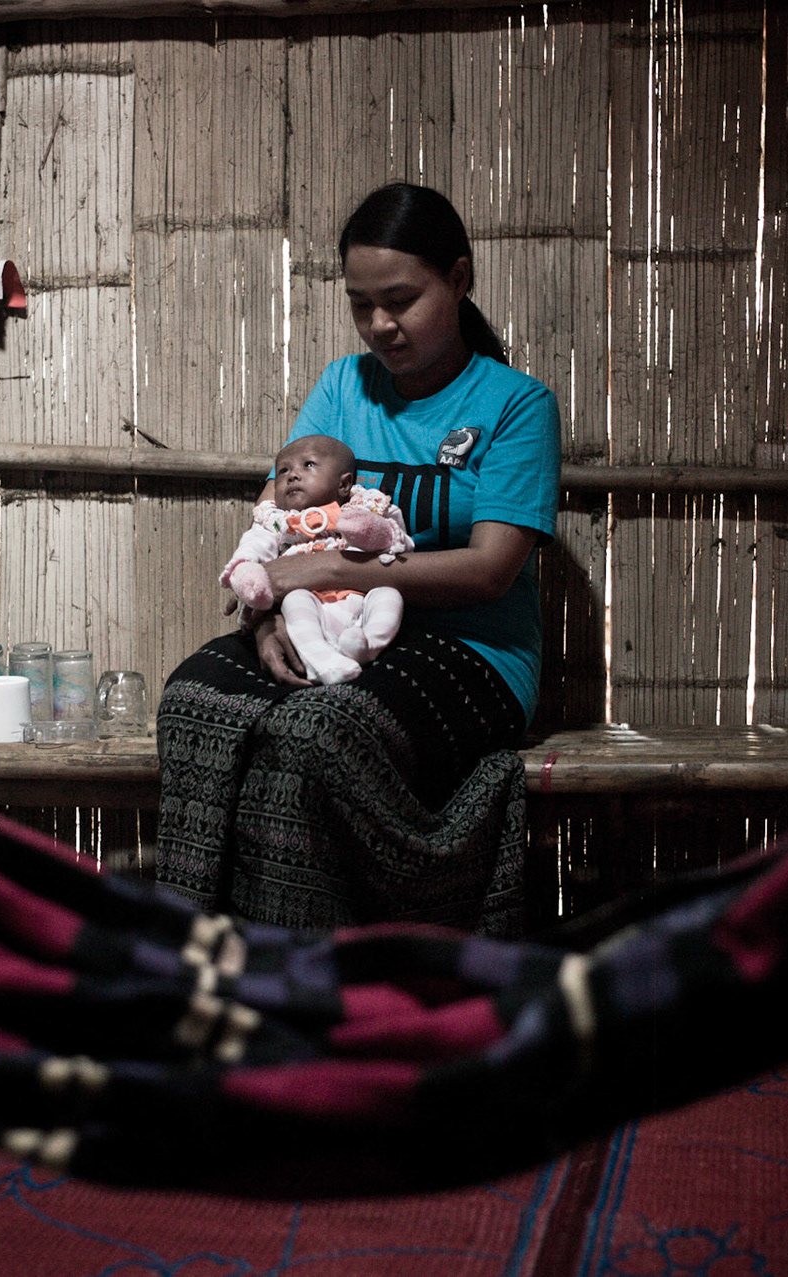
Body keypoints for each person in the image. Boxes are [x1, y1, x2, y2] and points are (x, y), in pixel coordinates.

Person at [154, 182, 563, 936]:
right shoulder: (343, 387)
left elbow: (489, 571)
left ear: (460, 280)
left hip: (476, 655)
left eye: (402, 299)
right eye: (360, 304)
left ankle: (308, 983)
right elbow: (278, 525)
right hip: (329, 628)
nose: (381, 324)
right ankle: (184, 960)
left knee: (314, 732)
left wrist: (331, 572)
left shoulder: (516, 405)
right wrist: (268, 618)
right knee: (194, 698)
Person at [219, 433, 414, 685]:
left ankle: (368, 644)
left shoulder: (368, 507)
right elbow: (254, 544)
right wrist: (245, 568)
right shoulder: (278, 522)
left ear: (344, 485)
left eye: (308, 465)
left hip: (362, 597)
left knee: (388, 595)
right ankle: (322, 661)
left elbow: (400, 544)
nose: (292, 475)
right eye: (283, 470)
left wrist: (372, 532)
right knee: (295, 600)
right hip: (310, 602)